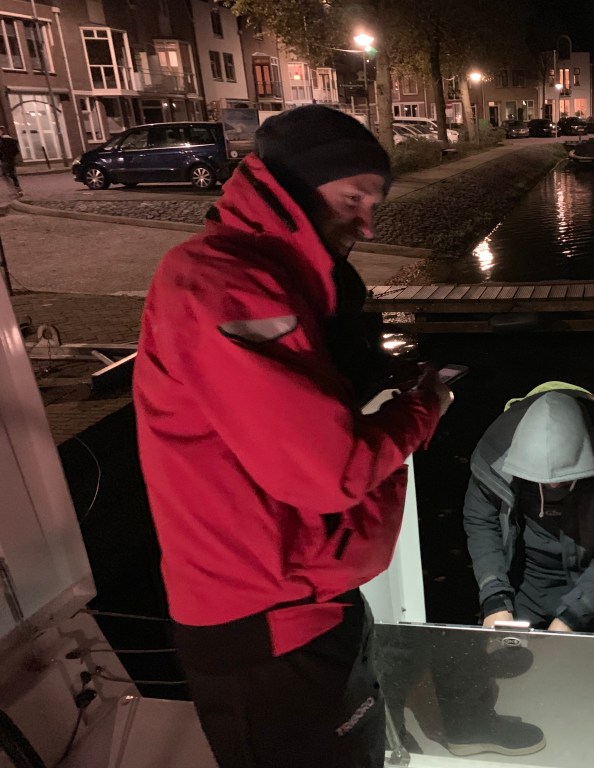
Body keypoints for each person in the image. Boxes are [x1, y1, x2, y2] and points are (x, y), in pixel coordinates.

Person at [133, 105, 453, 768]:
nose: (367, 224)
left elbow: (295, 412)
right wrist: (422, 410)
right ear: (293, 187)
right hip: (266, 626)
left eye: (375, 204)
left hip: (308, 601)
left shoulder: (276, 282)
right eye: (353, 198)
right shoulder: (225, 286)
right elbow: (328, 472)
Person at [463, 382, 594, 634]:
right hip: (523, 584)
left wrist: (573, 617)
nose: (553, 486)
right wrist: (495, 598)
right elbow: (480, 521)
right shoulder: (494, 454)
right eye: (540, 479)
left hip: (593, 588)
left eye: (564, 479)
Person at [0, 127, 21, 196]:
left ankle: (16, 190)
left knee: (9, 175)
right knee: (9, 175)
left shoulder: (6, 140)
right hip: (7, 160)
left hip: (7, 160)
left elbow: (15, 150)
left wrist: (7, 155)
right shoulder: (7, 140)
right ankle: (17, 190)